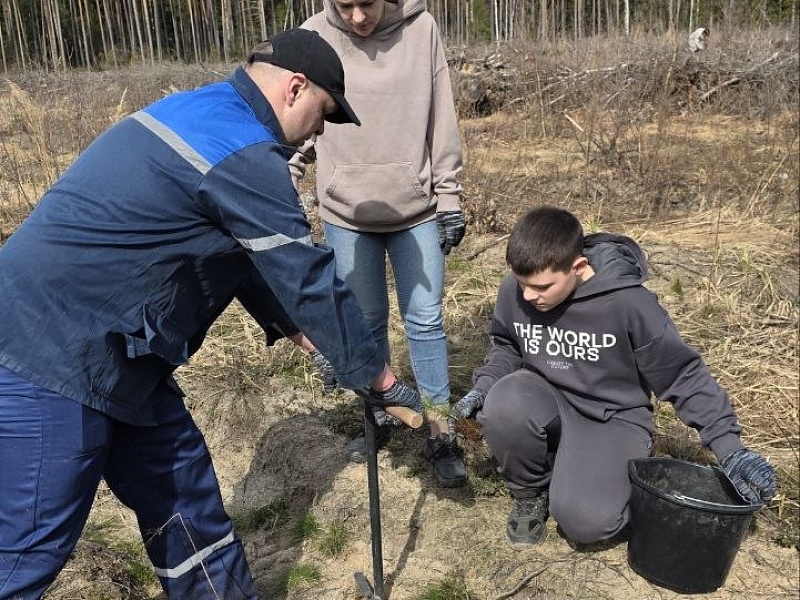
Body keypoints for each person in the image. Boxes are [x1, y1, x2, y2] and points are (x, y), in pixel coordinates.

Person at [0, 28, 423, 600]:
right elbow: (308, 278)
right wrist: (380, 380)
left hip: (123, 351)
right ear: (296, 88)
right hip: (46, 354)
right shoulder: (241, 149)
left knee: (186, 502)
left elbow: (246, 262)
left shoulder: (203, 113)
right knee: (29, 548)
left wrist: (317, 345)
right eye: (324, 113)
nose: (320, 132)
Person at [452, 206, 777, 548]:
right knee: (504, 402)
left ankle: (594, 475)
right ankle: (530, 493)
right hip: (544, 398)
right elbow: (506, 346)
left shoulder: (628, 302)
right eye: (522, 284)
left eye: (542, 287)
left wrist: (730, 449)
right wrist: (483, 388)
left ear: (578, 267)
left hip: (612, 416)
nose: (529, 296)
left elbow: (682, 375)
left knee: (586, 524)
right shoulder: (517, 289)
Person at [289, 0, 468, 488]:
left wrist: (450, 197)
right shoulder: (314, 33)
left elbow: (442, 117)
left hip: (416, 209)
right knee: (365, 321)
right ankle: (382, 415)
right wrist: (287, 173)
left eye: (366, 3)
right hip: (345, 211)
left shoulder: (421, 29)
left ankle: (440, 429)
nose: (357, 17)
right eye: (343, 4)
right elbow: (300, 114)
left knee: (425, 320)